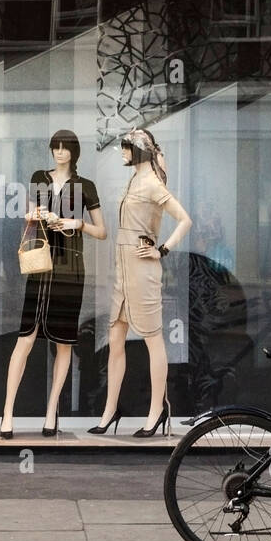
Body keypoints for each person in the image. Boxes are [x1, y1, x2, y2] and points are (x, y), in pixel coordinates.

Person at [0, 130, 106, 438]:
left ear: (74, 152)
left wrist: (76, 223)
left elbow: (102, 231)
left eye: (65, 148)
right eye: (55, 148)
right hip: (42, 263)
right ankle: (7, 413)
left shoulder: (85, 186)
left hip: (70, 266)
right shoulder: (39, 178)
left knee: (64, 342)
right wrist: (39, 215)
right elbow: (27, 216)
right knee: (26, 337)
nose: (60, 153)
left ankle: (51, 412)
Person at [92, 128, 192, 437]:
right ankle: (110, 411)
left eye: (126, 147)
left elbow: (185, 219)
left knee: (153, 339)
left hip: (144, 271)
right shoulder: (135, 178)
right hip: (123, 270)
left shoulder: (150, 183)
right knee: (116, 340)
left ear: (138, 149)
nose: (122, 152)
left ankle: (156, 411)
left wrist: (162, 249)